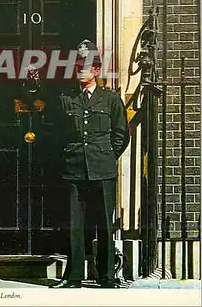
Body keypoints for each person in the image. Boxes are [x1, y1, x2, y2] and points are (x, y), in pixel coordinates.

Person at [50, 39, 130, 289]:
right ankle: (73, 277)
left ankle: (106, 276)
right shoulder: (67, 99)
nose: (80, 70)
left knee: (104, 225)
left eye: (85, 66)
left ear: (96, 70)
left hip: (102, 169)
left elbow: (121, 134)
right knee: (75, 226)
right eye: (77, 66)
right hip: (74, 169)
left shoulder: (110, 99)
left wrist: (106, 156)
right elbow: (59, 132)